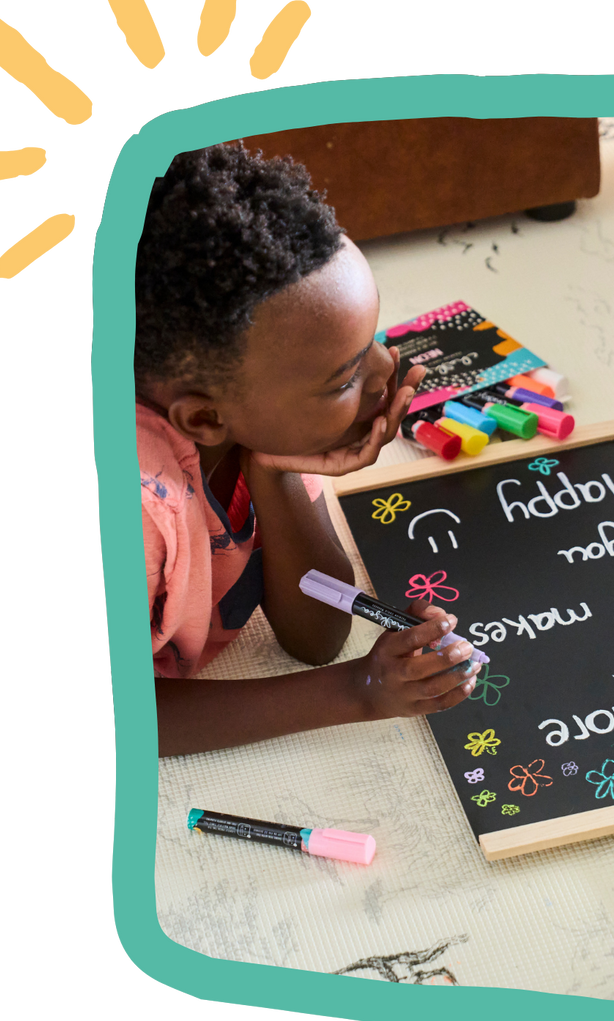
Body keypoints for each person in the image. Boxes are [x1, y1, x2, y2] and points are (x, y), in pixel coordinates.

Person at [136, 142, 479, 758]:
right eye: (343, 379)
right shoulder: (133, 508)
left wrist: (275, 473)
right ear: (205, 416)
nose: (386, 375)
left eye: (372, 339)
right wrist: (358, 690)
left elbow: (318, 633)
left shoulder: (265, 421)